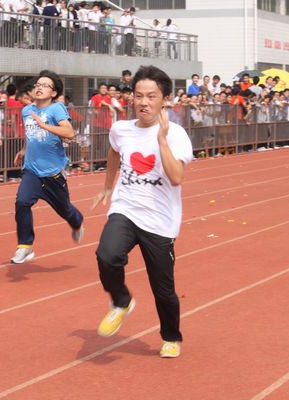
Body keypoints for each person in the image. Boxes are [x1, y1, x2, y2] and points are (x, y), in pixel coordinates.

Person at [93, 65, 193, 358]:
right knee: (106, 255)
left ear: (165, 100)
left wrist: (161, 139)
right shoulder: (121, 129)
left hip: (160, 221)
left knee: (163, 289)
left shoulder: (176, 134)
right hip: (126, 209)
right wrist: (108, 186)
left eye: (151, 96)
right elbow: (113, 151)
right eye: (139, 96)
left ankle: (171, 336)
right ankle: (121, 301)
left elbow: (176, 177)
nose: (144, 102)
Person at [11, 70, 84, 263]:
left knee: (66, 210)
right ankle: (25, 246)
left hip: (53, 174)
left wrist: (45, 126)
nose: (39, 87)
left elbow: (69, 133)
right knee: (22, 202)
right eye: (38, 84)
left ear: (53, 93)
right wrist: (24, 149)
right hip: (32, 170)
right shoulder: (27, 111)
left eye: (45, 85)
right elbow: (30, 134)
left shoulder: (56, 109)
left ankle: (77, 223)